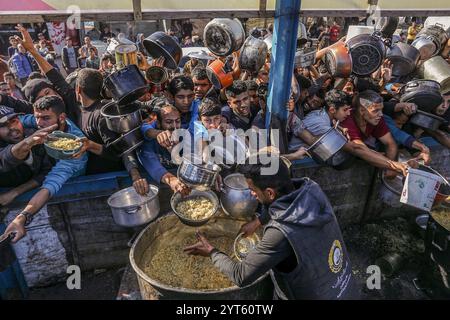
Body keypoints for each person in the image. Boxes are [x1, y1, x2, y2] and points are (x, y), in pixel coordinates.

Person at [184, 159, 359, 300]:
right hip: (344, 284)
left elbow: (241, 275)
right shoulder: (311, 188)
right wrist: (259, 221)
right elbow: (285, 206)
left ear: (269, 193)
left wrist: (212, 252)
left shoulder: (280, 233)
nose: (251, 193)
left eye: (252, 189)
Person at [2, 95, 88, 243]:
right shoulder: (36, 123)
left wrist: (21, 218)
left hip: (78, 192)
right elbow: (22, 120)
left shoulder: (75, 147)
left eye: (46, 118)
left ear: (62, 118)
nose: (39, 124)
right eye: (37, 118)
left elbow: (49, 186)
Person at [341, 90, 408, 177]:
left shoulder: (377, 118)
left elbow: (390, 143)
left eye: (381, 110)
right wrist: (394, 165)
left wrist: (390, 169)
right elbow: (360, 149)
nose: (380, 114)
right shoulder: (347, 119)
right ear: (362, 111)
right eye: (375, 110)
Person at [0, 106, 54, 205]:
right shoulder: (32, 139)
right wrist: (27, 144)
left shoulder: (34, 135)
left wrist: (15, 192)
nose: (12, 128)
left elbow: (47, 171)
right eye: (3, 125)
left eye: (14, 121)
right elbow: (5, 158)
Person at [138, 104, 190, 195]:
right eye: (169, 122)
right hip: (159, 184)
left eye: (177, 121)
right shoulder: (149, 140)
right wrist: (172, 180)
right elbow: (151, 163)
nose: (174, 126)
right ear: (158, 123)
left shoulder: (184, 133)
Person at [142, 75, 200, 148]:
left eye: (190, 96)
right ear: (171, 96)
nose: (186, 102)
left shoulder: (198, 107)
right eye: (180, 97)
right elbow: (145, 126)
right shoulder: (166, 108)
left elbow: (193, 131)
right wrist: (159, 134)